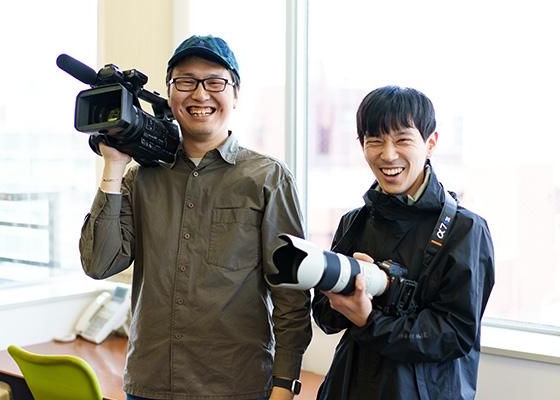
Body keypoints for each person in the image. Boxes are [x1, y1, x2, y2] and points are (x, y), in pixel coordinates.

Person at [79, 35, 312, 400]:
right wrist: (114, 165)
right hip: (149, 383)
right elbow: (99, 263)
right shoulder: (140, 178)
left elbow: (291, 293)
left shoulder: (267, 177)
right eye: (185, 82)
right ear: (170, 94)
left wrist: (284, 384)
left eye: (215, 82)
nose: (200, 94)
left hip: (237, 387)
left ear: (235, 94)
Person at [312, 85, 495, 399]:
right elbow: (324, 317)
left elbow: (454, 334)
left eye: (402, 140)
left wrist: (369, 320)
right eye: (374, 140)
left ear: (430, 143)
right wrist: (345, 289)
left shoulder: (466, 230)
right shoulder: (355, 222)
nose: (388, 154)